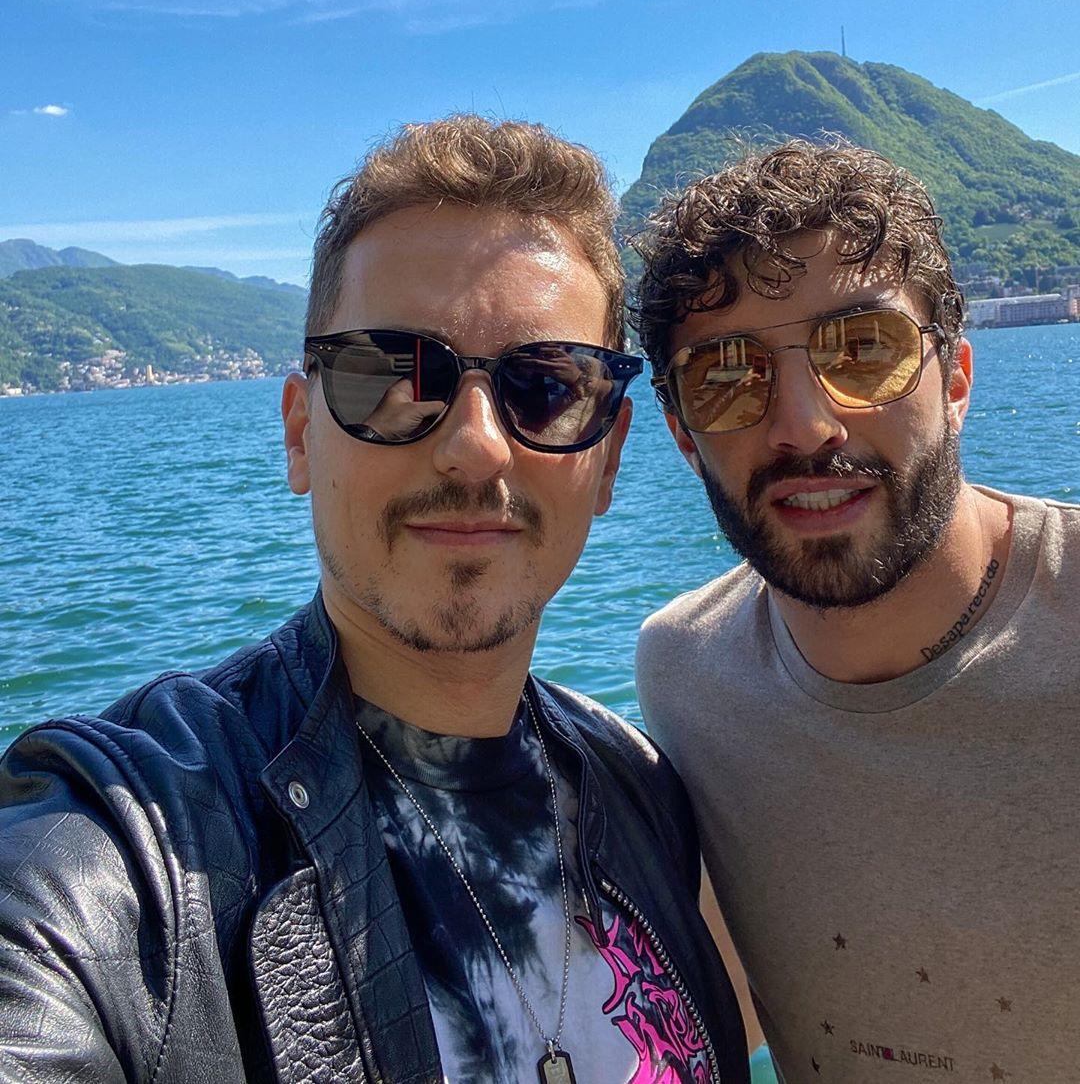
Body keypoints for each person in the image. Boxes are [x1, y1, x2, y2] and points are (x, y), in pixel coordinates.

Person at [0, 116, 749, 1084]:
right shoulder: (126, 849)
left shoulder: (640, 792)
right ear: (300, 434)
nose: (475, 446)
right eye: (395, 375)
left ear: (606, 457)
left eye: (545, 386)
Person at [633, 139, 1080, 1084]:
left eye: (865, 349)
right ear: (682, 434)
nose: (804, 425)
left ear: (955, 379)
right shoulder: (685, 675)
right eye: (726, 375)